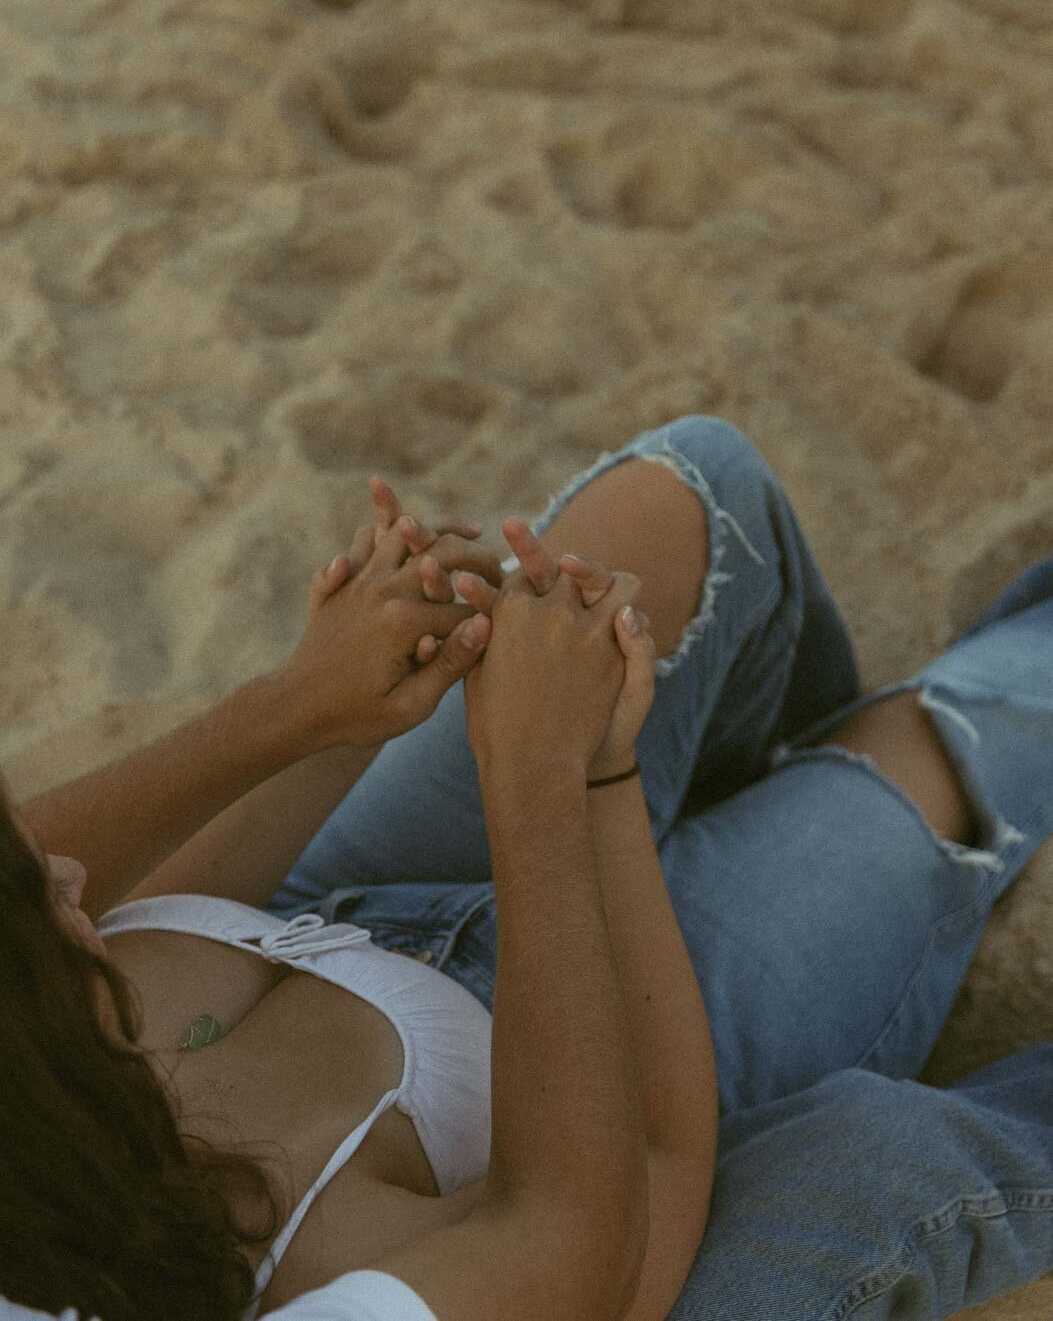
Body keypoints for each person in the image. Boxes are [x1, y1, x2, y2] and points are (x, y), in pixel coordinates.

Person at [3, 413, 1053, 1321]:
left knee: (687, 496)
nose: (64, 871)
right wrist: (574, 778)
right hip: (607, 1080)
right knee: (931, 760)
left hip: (327, 917)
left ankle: (736, 777)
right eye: (42, 910)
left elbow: (64, 883)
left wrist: (316, 710)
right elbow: (631, 1189)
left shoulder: (35, 1077)